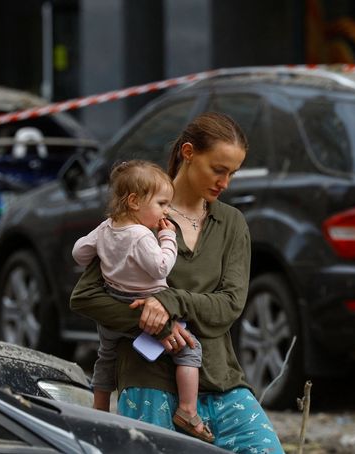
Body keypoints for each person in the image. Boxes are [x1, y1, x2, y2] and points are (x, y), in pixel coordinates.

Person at [70, 112, 283, 452]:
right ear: (188, 152)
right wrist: (156, 325)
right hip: (149, 382)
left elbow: (230, 305)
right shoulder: (140, 216)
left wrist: (170, 302)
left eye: (232, 173)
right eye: (218, 169)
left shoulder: (231, 223)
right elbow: (86, 297)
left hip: (222, 381)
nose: (225, 182)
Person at [71, 160, 214, 443]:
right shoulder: (140, 236)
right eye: (161, 203)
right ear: (135, 201)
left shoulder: (106, 228)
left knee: (106, 357)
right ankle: (187, 409)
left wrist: (104, 256)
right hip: (145, 307)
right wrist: (167, 237)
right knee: (189, 350)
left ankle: (99, 408)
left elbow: (78, 252)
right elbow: (161, 267)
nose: (166, 211)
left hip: (113, 307)